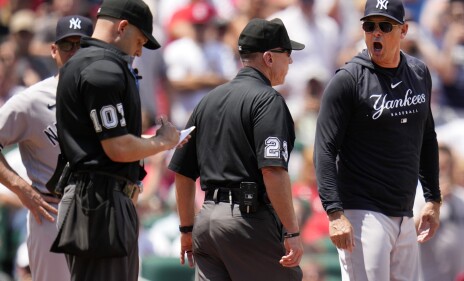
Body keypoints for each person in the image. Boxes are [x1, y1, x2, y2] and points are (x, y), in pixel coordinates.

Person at [54, 0, 186, 280]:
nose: (139, 51)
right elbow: (117, 147)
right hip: (98, 203)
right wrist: (163, 142)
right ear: (122, 27)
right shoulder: (102, 69)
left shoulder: (89, 62)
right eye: (139, 41)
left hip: (99, 199)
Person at [313, 0, 442, 280]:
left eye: (385, 26)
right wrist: (335, 213)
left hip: (405, 213)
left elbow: (427, 137)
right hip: (362, 213)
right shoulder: (348, 80)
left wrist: (433, 197)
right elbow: (324, 150)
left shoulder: (419, 73)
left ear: (404, 30)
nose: (376, 33)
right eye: (370, 26)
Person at [169, 17, 304, 281]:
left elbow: (182, 172)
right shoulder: (268, 100)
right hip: (247, 222)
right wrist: (292, 231)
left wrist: (187, 228)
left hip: (207, 223)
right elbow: (273, 171)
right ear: (268, 57)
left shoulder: (208, 100)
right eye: (287, 54)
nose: (290, 61)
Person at [0, 15, 93, 281]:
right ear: (54, 50)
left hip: (100, 210)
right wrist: (21, 189)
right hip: (52, 213)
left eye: (82, 45)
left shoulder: (106, 94)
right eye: (67, 45)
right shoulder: (31, 101)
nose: (75, 52)